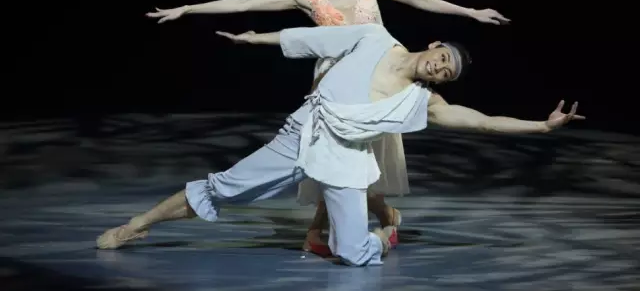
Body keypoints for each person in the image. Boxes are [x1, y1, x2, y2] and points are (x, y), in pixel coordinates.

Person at [97, 24, 582, 266]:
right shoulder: (374, 37)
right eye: (443, 58)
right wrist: (254, 39)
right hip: (303, 136)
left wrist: (542, 127)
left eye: (448, 73)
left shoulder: (422, 101)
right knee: (222, 187)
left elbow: (483, 123)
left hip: (347, 160)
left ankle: (385, 232)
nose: (440, 67)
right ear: (435, 46)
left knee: (352, 254)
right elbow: (312, 38)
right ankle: (133, 226)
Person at [145, 0, 510, 254]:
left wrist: (470, 11)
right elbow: (243, 4)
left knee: (358, 168)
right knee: (331, 160)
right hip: (336, 81)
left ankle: (346, 226)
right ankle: (346, 227)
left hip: (381, 78)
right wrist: (188, 9)